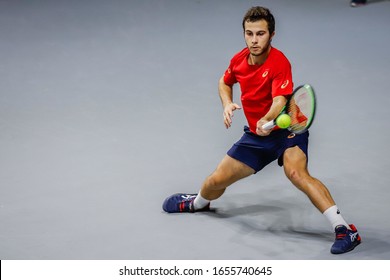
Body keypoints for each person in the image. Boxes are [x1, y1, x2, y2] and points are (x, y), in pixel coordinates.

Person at [162, 6, 361, 254]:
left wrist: (267, 119)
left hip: (287, 130)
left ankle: (345, 229)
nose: (254, 40)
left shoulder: (279, 62)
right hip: (256, 136)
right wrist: (227, 103)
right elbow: (225, 81)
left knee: (296, 173)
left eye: (260, 34)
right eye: (249, 33)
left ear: (272, 34)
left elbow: (279, 101)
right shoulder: (238, 60)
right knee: (216, 180)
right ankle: (198, 203)